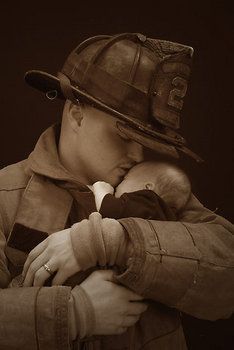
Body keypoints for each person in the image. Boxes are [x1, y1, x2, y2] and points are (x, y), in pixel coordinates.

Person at [0, 32, 233, 350]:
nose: (137, 156)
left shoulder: (153, 193)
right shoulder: (5, 195)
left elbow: (227, 270)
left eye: (145, 143)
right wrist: (76, 312)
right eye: (124, 138)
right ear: (76, 113)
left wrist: (114, 240)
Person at [92, 160, 191, 220]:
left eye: (125, 179)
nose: (118, 184)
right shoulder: (165, 218)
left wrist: (101, 189)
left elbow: (110, 210)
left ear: (147, 188)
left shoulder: (146, 201)